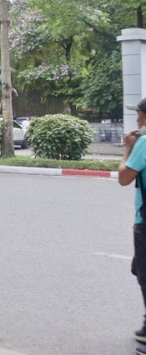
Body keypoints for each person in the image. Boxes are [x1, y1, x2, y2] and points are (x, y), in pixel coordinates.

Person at [119, 96, 146, 352]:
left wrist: (128, 148)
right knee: (140, 269)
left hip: (145, 222)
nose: (136, 118)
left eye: (138, 113)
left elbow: (124, 177)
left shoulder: (143, 143)